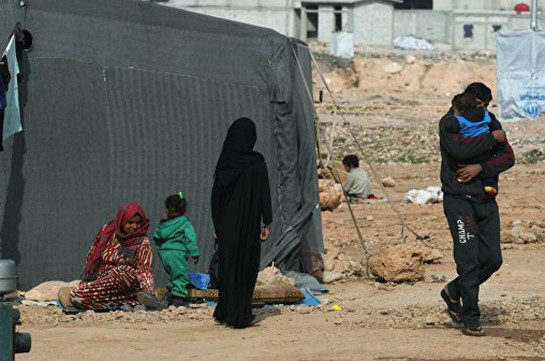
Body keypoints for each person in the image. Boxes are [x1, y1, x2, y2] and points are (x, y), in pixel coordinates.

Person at [439, 82, 515, 337]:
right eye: (479, 106)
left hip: (485, 200)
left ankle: (453, 291)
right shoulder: (449, 123)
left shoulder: (489, 120)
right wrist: (491, 139)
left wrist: (481, 168)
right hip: (459, 202)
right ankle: (470, 317)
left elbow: (507, 156)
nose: (482, 111)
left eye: (486, 106)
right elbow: (459, 149)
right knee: (469, 261)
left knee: (493, 259)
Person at [212, 117, 272, 328]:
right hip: (248, 225)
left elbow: (215, 197)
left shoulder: (225, 162)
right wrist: (267, 222)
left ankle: (226, 311)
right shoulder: (257, 162)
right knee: (246, 266)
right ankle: (241, 314)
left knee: (228, 266)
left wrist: (217, 226)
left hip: (227, 225)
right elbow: (265, 194)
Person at [65, 202, 154, 310]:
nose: (135, 227)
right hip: (103, 283)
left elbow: (145, 270)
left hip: (125, 283)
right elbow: (93, 254)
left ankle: (135, 300)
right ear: (122, 220)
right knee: (77, 295)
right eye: (130, 222)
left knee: (121, 272)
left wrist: (149, 294)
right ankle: (125, 303)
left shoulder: (142, 242)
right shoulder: (107, 231)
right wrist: (85, 281)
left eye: (138, 223)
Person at [138, 192, 200, 309]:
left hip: (165, 254)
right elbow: (191, 238)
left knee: (174, 274)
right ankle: (178, 298)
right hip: (177, 253)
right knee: (181, 274)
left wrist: (163, 248)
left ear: (168, 210)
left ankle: (169, 295)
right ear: (184, 210)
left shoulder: (164, 225)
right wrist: (195, 254)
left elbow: (157, 236)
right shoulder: (184, 223)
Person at [446, 92, 499, 196]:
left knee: (462, 167)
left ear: (461, 111)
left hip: (470, 145)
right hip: (485, 146)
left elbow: (449, 128)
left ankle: (461, 181)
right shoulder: (486, 117)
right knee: (486, 162)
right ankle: (490, 185)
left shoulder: (458, 120)